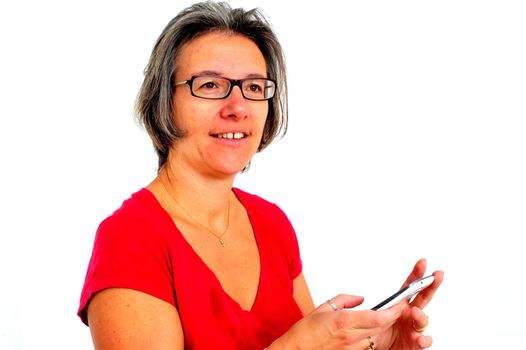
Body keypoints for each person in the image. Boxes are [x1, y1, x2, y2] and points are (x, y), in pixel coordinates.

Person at [78, 1, 444, 349]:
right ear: (164, 101)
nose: (238, 107)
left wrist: (370, 345)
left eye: (253, 88)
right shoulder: (129, 240)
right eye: (210, 85)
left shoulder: (272, 224)